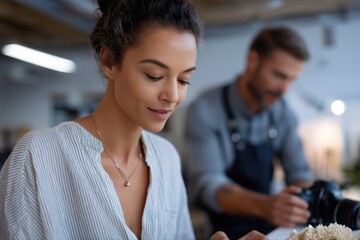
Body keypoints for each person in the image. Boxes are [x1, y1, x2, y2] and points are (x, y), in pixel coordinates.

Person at [0, 0, 268, 239]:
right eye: (154, 75)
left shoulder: (166, 158)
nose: (172, 95)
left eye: (184, 79)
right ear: (109, 61)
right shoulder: (39, 155)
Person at [184, 26, 315, 239]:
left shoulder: (283, 113)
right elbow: (206, 183)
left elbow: (299, 172)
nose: (285, 89)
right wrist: (265, 205)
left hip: (274, 227)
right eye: (279, 75)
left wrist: (307, 198)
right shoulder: (205, 109)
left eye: (291, 80)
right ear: (253, 60)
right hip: (223, 231)